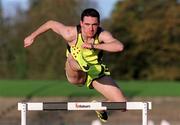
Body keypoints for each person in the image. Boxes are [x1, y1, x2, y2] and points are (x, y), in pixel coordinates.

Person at [24, 8, 126, 122]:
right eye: (87, 24)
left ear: (99, 24)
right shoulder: (70, 33)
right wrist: (32, 36)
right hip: (75, 71)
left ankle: (101, 107)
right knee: (72, 59)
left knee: (122, 105)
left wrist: (94, 46)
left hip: (94, 71)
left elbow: (119, 46)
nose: (91, 28)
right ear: (81, 23)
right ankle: (81, 64)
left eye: (94, 25)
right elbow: (51, 24)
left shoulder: (102, 35)